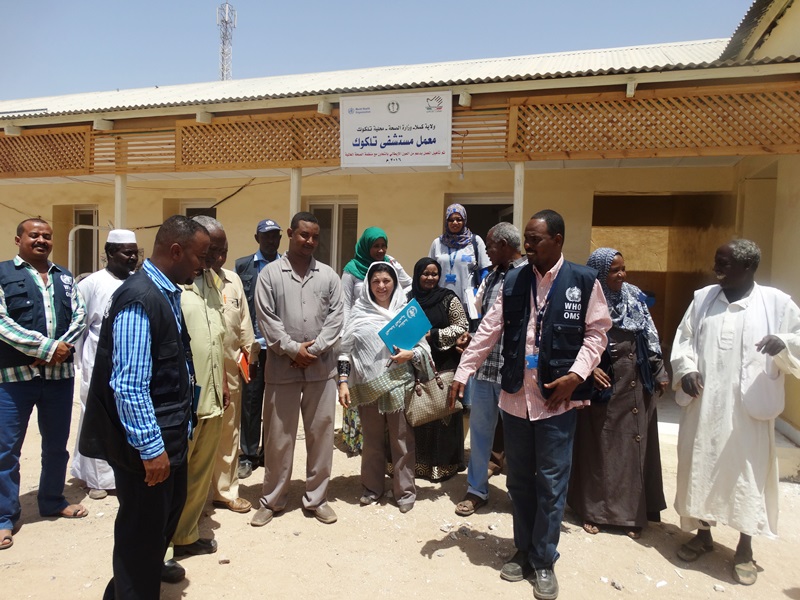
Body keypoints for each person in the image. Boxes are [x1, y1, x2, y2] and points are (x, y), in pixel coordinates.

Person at [449, 210, 611, 600]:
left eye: (535, 238)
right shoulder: (515, 278)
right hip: (515, 398)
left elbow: (597, 332)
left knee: (551, 483)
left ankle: (543, 560)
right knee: (519, 480)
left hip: (556, 401)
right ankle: (523, 549)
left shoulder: (584, 281)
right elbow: (490, 328)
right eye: (526, 238)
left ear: (557, 239)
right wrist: (462, 373)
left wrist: (576, 375)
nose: (528, 245)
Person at [79, 215, 210, 598]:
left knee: (156, 532)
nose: (204, 264)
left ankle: (126, 587)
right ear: (176, 251)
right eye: (200, 256)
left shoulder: (165, 292)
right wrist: (152, 450)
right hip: (148, 453)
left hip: (171, 440)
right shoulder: (141, 298)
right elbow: (129, 386)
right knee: (141, 535)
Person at [670, 239, 800, 586]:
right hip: (703, 406)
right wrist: (686, 370)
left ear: (748, 268)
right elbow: (684, 340)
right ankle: (703, 535)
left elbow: (798, 339)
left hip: (748, 412)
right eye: (717, 262)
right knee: (700, 466)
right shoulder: (703, 300)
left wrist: (784, 343)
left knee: (747, 477)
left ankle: (744, 547)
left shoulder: (777, 303)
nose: (718, 270)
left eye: (725, 264)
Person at [567, 248, 668, 539]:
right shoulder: (584, 297)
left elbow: (649, 334)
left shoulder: (633, 295)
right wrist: (587, 368)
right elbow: (572, 337)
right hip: (603, 384)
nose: (621, 275)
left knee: (633, 447)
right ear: (599, 272)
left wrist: (659, 370)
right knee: (599, 449)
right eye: (614, 270)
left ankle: (630, 514)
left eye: (623, 268)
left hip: (635, 381)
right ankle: (593, 511)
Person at [250, 212, 344, 527]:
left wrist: (313, 351)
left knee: (321, 436)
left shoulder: (329, 276)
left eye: (315, 236)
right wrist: (292, 349)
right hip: (281, 368)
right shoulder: (270, 275)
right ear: (291, 233)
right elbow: (266, 318)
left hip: (321, 369)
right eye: (304, 235)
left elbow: (336, 318)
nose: (310, 241)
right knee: (279, 438)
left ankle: (317, 499)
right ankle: (272, 500)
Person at [0, 218, 88, 552]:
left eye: (46, 236)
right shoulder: (3, 273)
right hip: (13, 378)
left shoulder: (65, 277)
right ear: (18, 238)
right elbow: (2, 322)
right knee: (6, 449)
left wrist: (59, 349)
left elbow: (79, 317)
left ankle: (52, 499)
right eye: (34, 235)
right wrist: (46, 349)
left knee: (56, 444)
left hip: (58, 378)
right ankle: (4, 517)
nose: (41, 240)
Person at [338, 262, 423, 512]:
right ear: (368, 285)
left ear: (395, 282)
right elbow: (344, 352)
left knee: (401, 441)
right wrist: (343, 381)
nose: (381, 286)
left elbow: (423, 348)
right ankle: (372, 488)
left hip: (400, 386)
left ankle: (405, 492)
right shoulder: (358, 312)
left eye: (386, 280)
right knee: (372, 441)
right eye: (376, 281)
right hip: (367, 389)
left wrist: (411, 354)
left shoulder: (406, 312)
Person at [454, 222, 526, 517]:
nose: (487, 252)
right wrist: (473, 339)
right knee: (481, 432)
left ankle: (520, 494)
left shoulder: (526, 276)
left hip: (514, 372)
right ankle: (476, 489)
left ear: (506, 247)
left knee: (519, 438)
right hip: (486, 369)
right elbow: (486, 319)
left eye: (491, 247)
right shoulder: (493, 275)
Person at [170, 216, 230, 558]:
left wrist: (221, 384)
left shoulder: (213, 282)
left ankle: (185, 536)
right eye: (210, 250)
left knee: (197, 477)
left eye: (220, 250)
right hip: (183, 401)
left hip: (213, 397)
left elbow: (216, 339)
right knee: (173, 478)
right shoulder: (174, 285)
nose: (215, 257)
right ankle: (161, 549)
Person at [71, 229, 140, 500]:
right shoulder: (92, 283)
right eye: (127, 252)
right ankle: (95, 478)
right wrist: (82, 366)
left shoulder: (138, 282)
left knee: (124, 416)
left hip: (129, 362)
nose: (133, 257)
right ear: (110, 253)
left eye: (135, 252)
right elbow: (79, 328)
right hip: (97, 362)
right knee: (96, 417)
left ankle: (121, 474)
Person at [340, 226, 412, 455]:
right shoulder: (351, 270)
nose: (380, 250)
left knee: (399, 431)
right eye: (375, 246)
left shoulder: (390, 265)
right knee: (367, 418)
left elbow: (407, 285)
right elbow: (345, 305)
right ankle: (356, 443)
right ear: (365, 246)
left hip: (390, 351)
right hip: (360, 331)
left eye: (383, 245)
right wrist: (351, 332)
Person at [210, 227, 258, 514]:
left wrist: (249, 356)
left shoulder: (234, 280)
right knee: (200, 434)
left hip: (231, 370)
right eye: (214, 248)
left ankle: (225, 492)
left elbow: (244, 324)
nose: (220, 254)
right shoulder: (189, 281)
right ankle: (196, 492)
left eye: (224, 248)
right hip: (201, 373)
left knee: (229, 434)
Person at [407, 257, 468, 482]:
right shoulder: (409, 298)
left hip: (444, 361)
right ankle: (419, 465)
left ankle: (445, 465)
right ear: (417, 274)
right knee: (421, 409)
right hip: (416, 362)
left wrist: (434, 335)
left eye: (434, 274)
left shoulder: (448, 298)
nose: (430, 278)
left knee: (444, 412)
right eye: (425, 273)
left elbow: (462, 326)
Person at [235, 218, 282, 480]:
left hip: (278, 348)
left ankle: (269, 453)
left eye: (275, 236)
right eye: (266, 236)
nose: (271, 241)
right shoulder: (243, 266)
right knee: (251, 402)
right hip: (253, 348)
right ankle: (248, 455)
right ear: (257, 238)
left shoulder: (286, 266)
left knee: (275, 403)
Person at [428, 203, 490, 326]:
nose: (455, 223)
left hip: (468, 304)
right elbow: (430, 270)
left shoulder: (475, 242)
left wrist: (483, 297)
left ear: (464, 220)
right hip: (442, 302)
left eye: (458, 219)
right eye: (451, 219)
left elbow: (484, 272)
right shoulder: (437, 243)